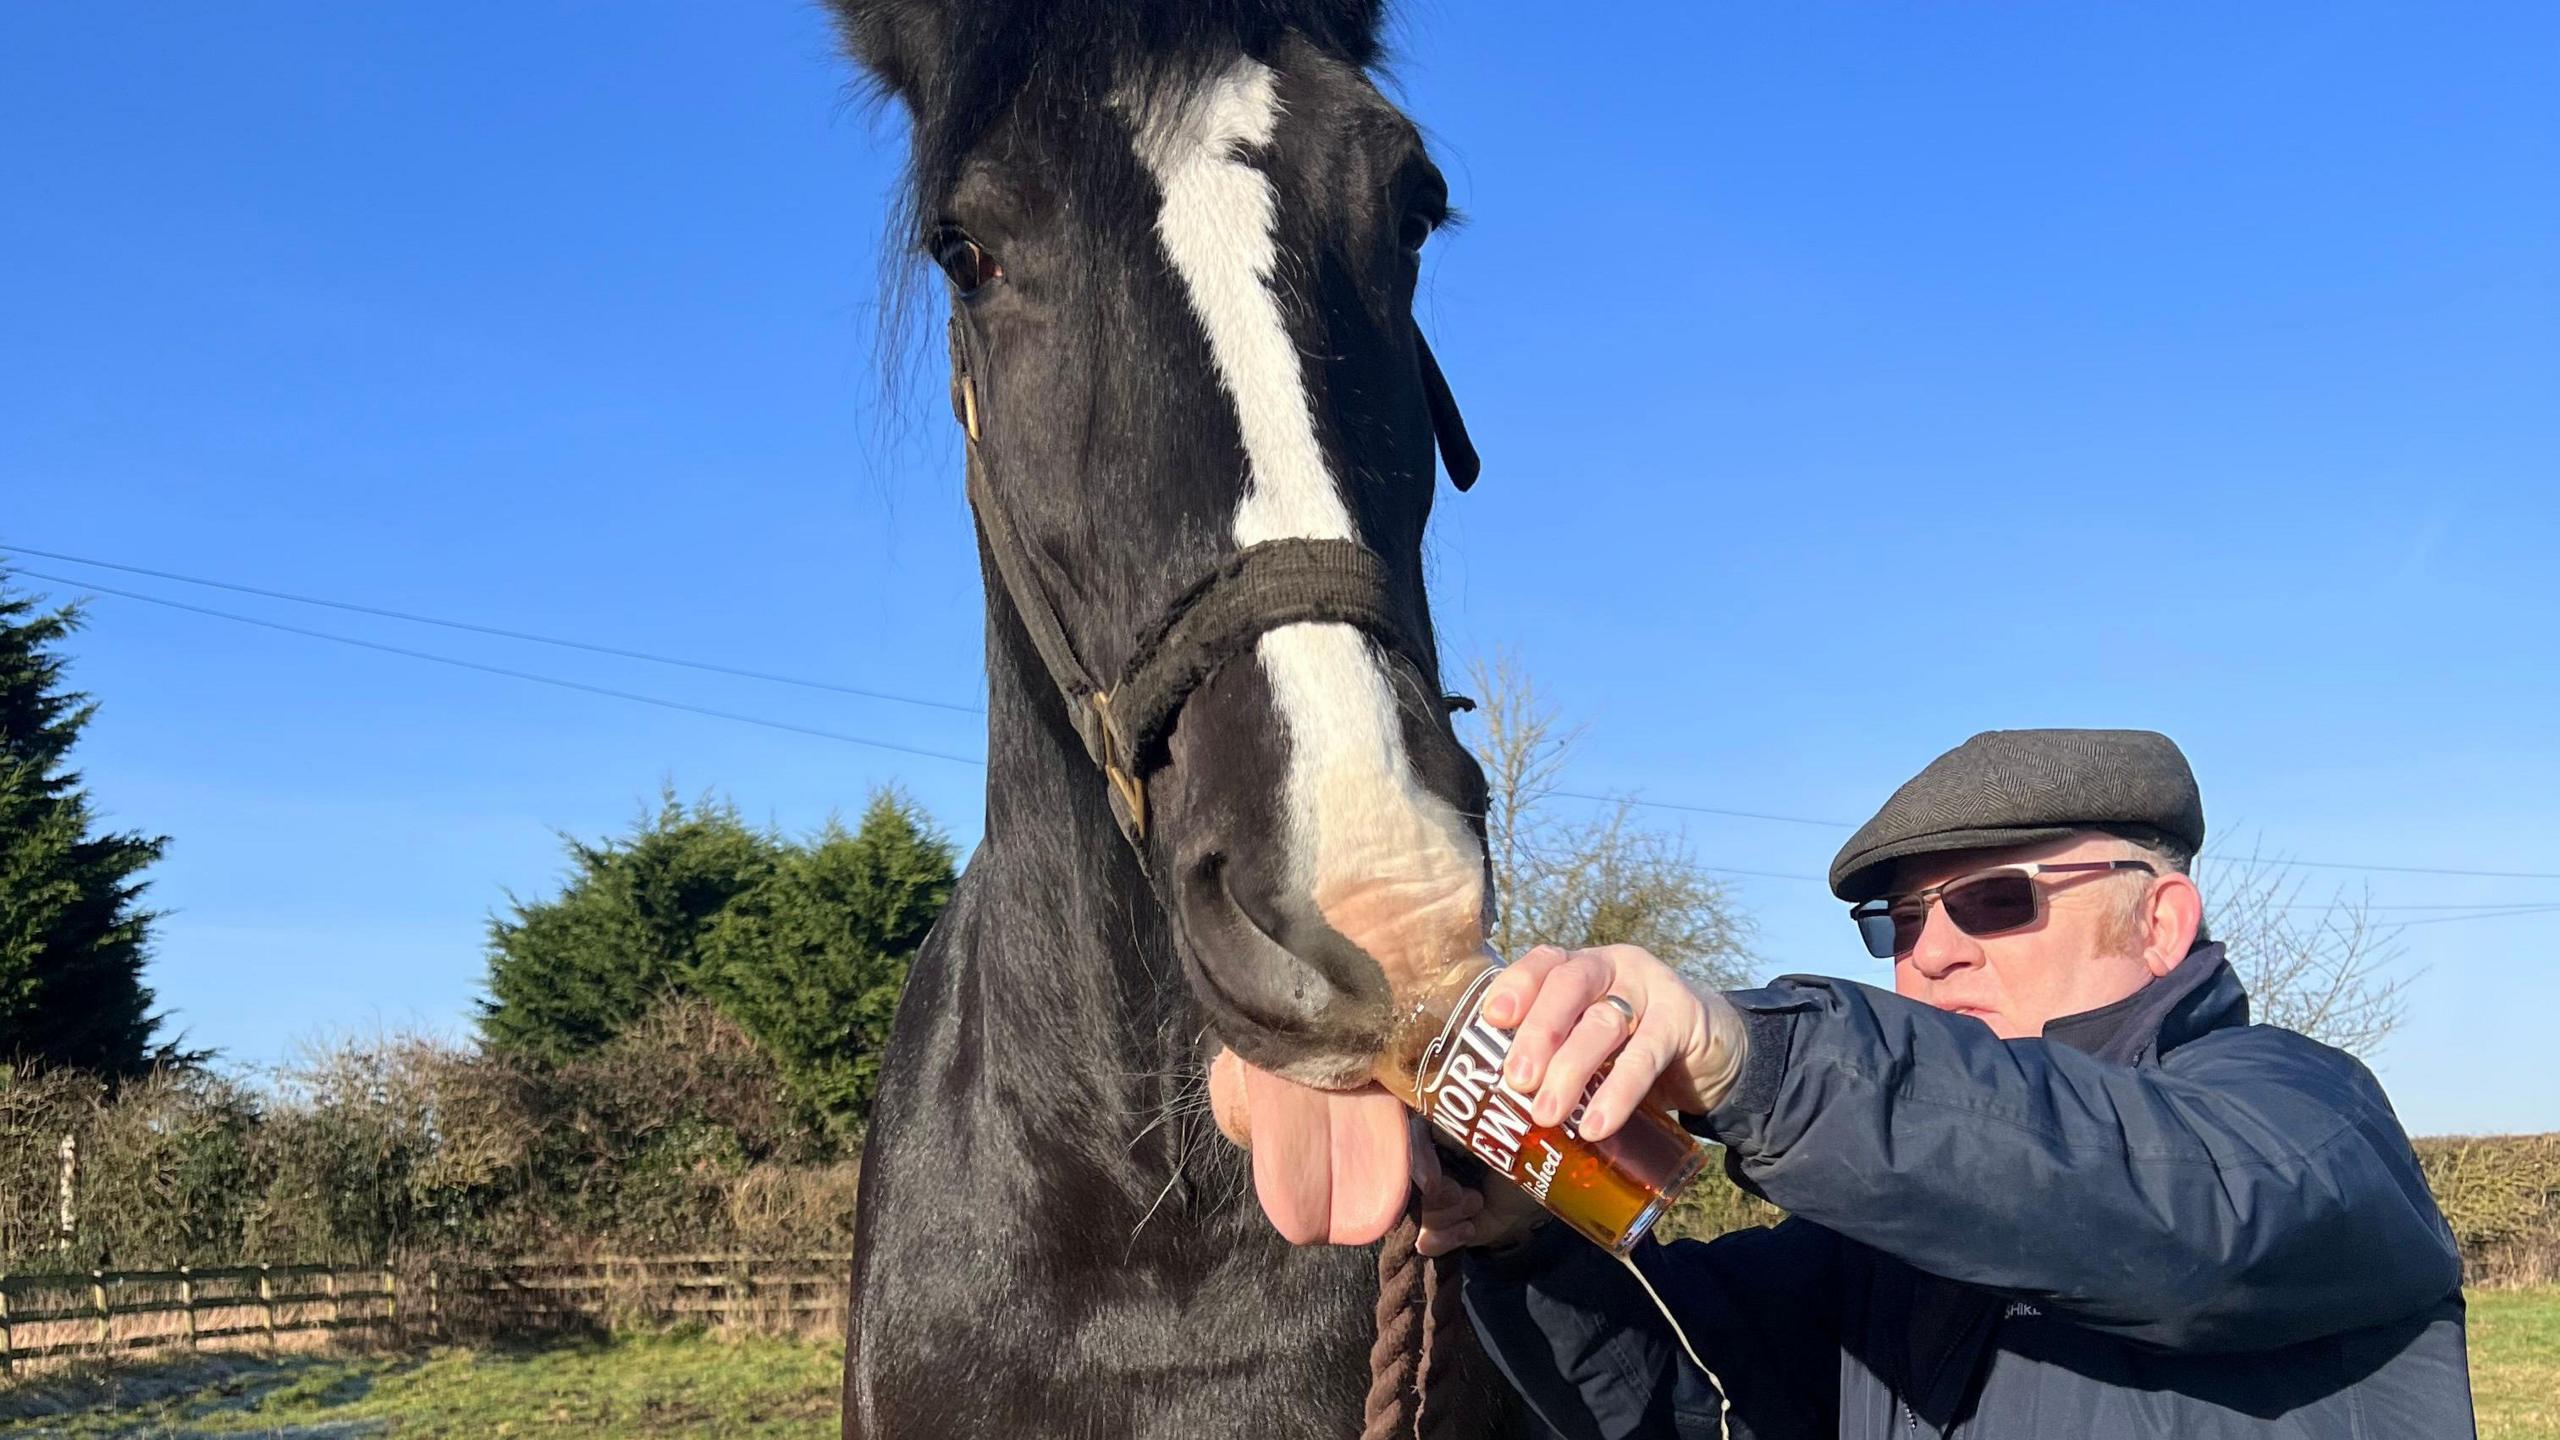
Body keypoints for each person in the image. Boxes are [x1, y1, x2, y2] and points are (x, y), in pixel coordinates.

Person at [1416, 728, 2473, 1439]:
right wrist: (1527, 1238)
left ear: (2161, 924)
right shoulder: (1885, 1237)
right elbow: (1694, 1396)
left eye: (1996, 901)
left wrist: (1759, 1059)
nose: (1931, 953)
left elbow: (2179, 1216)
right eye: (1900, 921)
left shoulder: (2308, 1116)